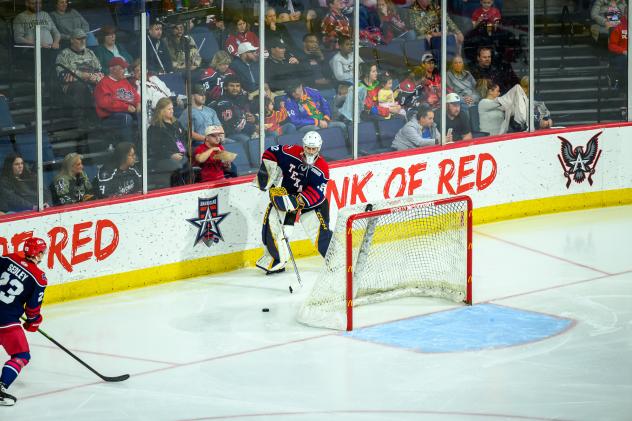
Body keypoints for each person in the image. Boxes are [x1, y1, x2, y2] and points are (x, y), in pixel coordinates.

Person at [254, 131, 332, 274]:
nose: (310, 151)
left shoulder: (322, 167)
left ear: (319, 149)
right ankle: (276, 260)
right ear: (304, 145)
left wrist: (295, 201)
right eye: (308, 147)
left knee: (320, 232)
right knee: (271, 223)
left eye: (313, 149)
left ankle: (335, 260)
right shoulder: (291, 152)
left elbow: (316, 193)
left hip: (312, 203)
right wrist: (269, 175)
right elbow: (271, 152)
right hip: (287, 194)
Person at [0, 237, 48, 407]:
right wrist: (33, 323)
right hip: (6, 322)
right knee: (21, 355)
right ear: (39, 253)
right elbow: (33, 311)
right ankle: (1, 386)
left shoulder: (7, 258)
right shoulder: (39, 278)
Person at [55, 28, 103, 118]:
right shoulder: (64, 54)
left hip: (91, 81)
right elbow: (63, 76)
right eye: (79, 39)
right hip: (72, 86)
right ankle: (80, 119)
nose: (82, 41)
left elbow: (99, 70)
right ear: (72, 40)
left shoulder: (90, 53)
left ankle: (100, 116)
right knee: (82, 87)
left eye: (84, 38)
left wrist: (95, 77)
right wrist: (85, 76)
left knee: (104, 85)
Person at [94, 57, 141, 144]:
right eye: (122, 68)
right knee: (126, 118)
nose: (125, 70)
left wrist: (138, 103)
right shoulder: (103, 83)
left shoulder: (124, 81)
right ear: (113, 69)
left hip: (128, 112)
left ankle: (142, 147)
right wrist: (126, 107)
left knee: (145, 114)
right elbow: (106, 104)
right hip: (109, 117)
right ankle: (128, 149)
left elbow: (135, 95)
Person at [148, 97, 190, 188]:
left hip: (181, 155)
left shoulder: (176, 123)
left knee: (190, 164)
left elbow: (184, 138)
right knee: (177, 166)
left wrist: (184, 151)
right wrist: (170, 155)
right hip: (163, 159)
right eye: (169, 109)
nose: (172, 111)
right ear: (161, 111)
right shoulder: (155, 128)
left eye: (172, 108)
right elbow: (155, 148)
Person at [213, 75, 258, 143]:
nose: (235, 88)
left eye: (237, 86)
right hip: (231, 134)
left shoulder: (243, 98)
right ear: (225, 87)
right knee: (247, 140)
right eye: (232, 86)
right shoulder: (223, 103)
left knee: (272, 134)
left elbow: (256, 111)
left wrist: (255, 118)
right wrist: (254, 128)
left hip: (246, 129)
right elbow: (233, 125)